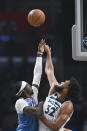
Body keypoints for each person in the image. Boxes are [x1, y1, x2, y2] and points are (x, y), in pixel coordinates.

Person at [38, 45, 81, 131]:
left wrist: (40, 116)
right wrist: (48, 53)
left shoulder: (68, 105)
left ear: (67, 89)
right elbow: (49, 70)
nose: (62, 81)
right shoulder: (54, 91)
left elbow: (56, 127)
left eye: (65, 82)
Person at [15, 39, 45, 131]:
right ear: (23, 90)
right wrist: (41, 103)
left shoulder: (33, 95)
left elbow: (37, 74)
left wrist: (39, 54)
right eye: (28, 85)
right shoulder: (19, 103)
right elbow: (37, 113)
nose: (30, 85)